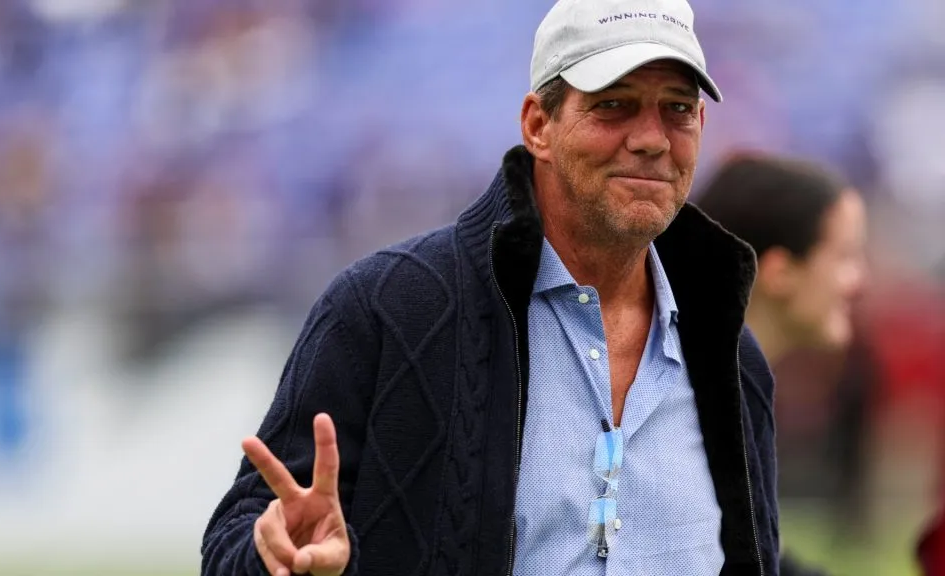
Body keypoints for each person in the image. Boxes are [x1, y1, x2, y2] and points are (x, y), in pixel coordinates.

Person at [201, 0, 779, 574]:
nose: (652, 138)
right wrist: (275, 560)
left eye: (677, 108)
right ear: (538, 126)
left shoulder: (734, 362)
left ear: (700, 127)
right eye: (614, 106)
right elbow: (247, 537)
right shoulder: (390, 308)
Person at [695, 153, 870, 576]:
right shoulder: (689, 404)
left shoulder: (732, 393)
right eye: (844, 257)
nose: (858, 280)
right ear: (780, 271)